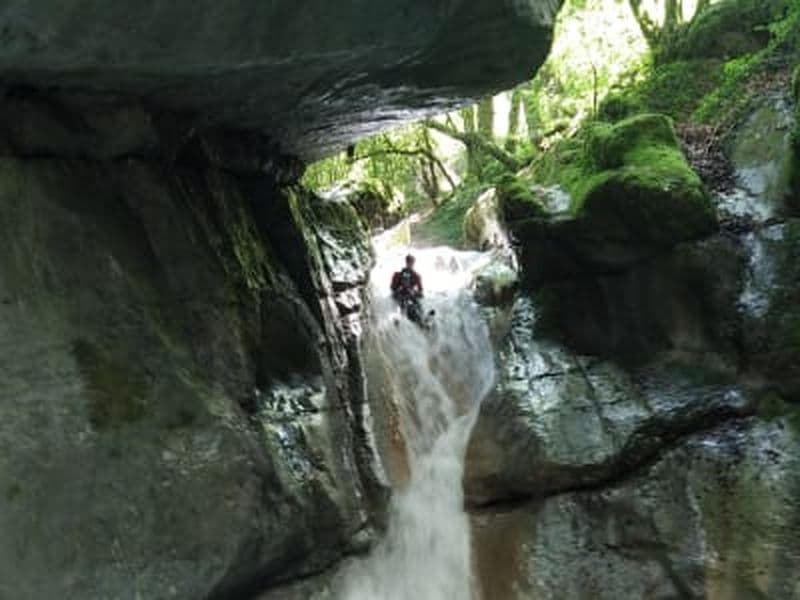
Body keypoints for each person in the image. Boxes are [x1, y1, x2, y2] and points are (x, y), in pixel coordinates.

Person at [391, 254, 424, 324]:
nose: (410, 264)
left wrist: (415, 293)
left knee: (416, 304)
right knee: (401, 303)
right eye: (409, 262)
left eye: (411, 262)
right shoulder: (398, 274)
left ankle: (422, 318)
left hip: (409, 296)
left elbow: (421, 291)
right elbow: (393, 288)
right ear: (406, 262)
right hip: (401, 295)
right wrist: (397, 291)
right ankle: (398, 316)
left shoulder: (416, 276)